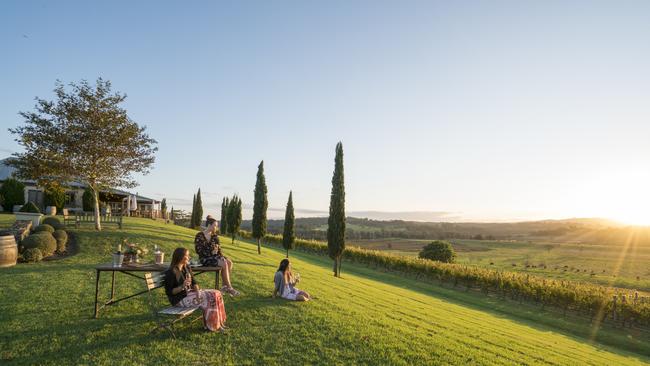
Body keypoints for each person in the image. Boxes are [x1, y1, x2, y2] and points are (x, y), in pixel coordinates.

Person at [164, 247, 227, 332]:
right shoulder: (171, 272)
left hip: (189, 294)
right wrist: (182, 286)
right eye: (187, 256)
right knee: (210, 297)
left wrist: (197, 292)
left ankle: (219, 322)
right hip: (179, 299)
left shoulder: (186, 267)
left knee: (217, 293)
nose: (189, 257)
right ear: (180, 257)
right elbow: (170, 292)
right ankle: (213, 326)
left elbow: (194, 283)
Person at [194, 215, 240, 296]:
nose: (216, 228)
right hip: (205, 259)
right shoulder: (199, 236)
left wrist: (220, 255)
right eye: (215, 225)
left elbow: (219, 250)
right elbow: (199, 251)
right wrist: (212, 253)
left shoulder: (215, 237)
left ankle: (224, 287)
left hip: (215, 257)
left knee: (229, 262)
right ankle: (229, 288)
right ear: (209, 225)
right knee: (223, 263)